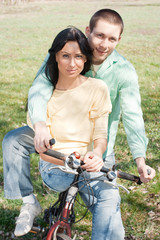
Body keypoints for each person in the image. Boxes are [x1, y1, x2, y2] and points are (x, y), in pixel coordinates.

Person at [2, 8, 155, 240]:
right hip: (55, 134)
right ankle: (28, 202)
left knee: (110, 215)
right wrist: (40, 124)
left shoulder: (123, 72)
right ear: (88, 32)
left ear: (119, 40)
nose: (104, 44)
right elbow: (39, 88)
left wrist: (140, 160)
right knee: (13, 139)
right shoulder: (66, 51)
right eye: (100, 36)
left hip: (96, 144)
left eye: (112, 39)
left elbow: (133, 116)